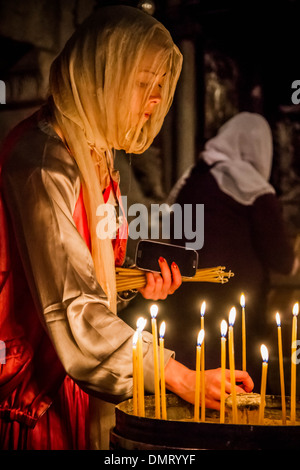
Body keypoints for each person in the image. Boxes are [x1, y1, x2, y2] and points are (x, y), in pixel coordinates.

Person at [0, 7, 253, 450]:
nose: (155, 100)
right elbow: (72, 304)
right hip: (36, 401)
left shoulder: (93, 154)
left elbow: (83, 276)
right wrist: (179, 376)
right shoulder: (45, 164)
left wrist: (133, 281)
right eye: (143, 84)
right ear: (101, 78)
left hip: (75, 382)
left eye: (160, 86)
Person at [165, 112, 298, 388]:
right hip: (234, 315)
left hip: (184, 308)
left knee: (194, 397)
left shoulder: (193, 179)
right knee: (232, 396)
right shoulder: (251, 185)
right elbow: (282, 260)